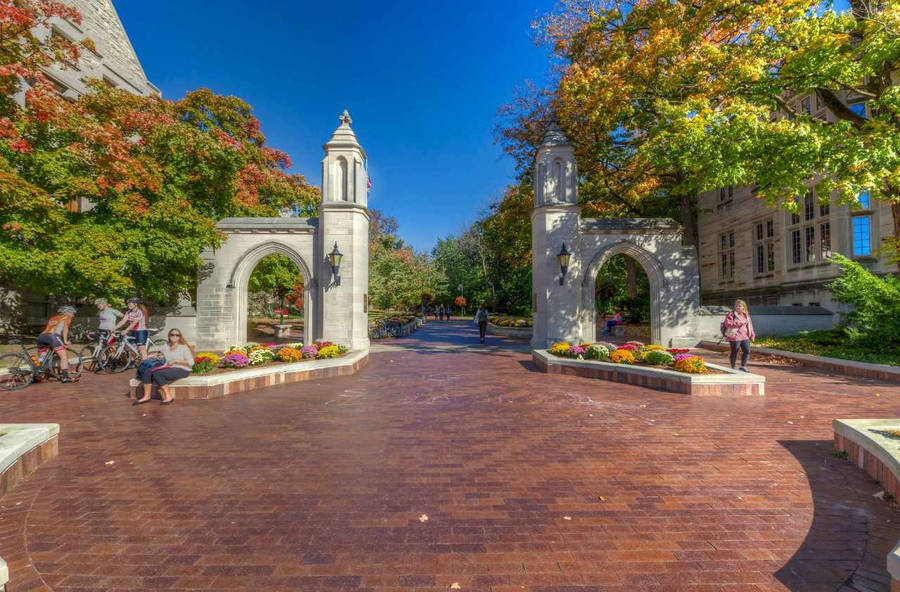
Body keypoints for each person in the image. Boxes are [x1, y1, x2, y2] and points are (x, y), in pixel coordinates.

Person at [133, 328, 193, 405]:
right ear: (169, 336)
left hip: (183, 369)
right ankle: (146, 396)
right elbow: (161, 354)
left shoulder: (183, 347)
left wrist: (176, 361)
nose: (174, 336)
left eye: (177, 335)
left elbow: (191, 362)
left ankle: (168, 396)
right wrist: (158, 356)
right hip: (168, 367)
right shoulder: (166, 346)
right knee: (147, 371)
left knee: (158, 374)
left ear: (180, 337)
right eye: (172, 335)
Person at [37, 306, 77, 382]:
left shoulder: (53, 318)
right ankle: (65, 377)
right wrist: (65, 341)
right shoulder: (67, 317)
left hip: (42, 336)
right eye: (72, 313)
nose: (73, 315)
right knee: (64, 357)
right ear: (67, 312)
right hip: (52, 337)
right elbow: (65, 329)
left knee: (43, 358)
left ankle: (43, 374)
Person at [721, 299, 755, 372]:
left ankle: (743, 366)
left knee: (747, 351)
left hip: (745, 336)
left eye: (740, 306)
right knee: (734, 351)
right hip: (734, 336)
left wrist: (752, 334)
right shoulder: (731, 314)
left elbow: (750, 325)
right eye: (736, 306)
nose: (738, 307)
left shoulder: (746, 315)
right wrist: (740, 323)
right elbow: (727, 324)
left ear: (743, 307)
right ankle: (732, 367)